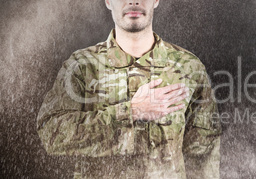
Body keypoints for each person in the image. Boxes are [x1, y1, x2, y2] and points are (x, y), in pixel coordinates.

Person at [36, 0, 221, 178]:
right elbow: (51, 133)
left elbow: (203, 151)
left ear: (156, 0)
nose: (133, 1)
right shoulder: (81, 66)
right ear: (108, 1)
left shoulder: (188, 67)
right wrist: (131, 112)